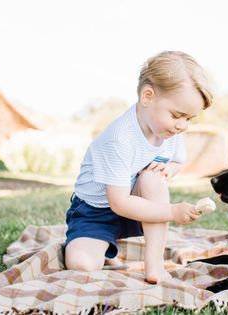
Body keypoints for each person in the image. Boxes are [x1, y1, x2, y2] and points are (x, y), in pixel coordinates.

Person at [64, 51, 213, 284]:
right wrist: (172, 212)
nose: (182, 125)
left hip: (138, 204)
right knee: (82, 265)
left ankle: (154, 265)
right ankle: (100, 246)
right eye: (177, 115)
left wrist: (167, 171)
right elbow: (119, 203)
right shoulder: (119, 139)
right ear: (147, 96)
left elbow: (176, 161)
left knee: (153, 179)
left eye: (189, 119)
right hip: (97, 211)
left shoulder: (169, 130)